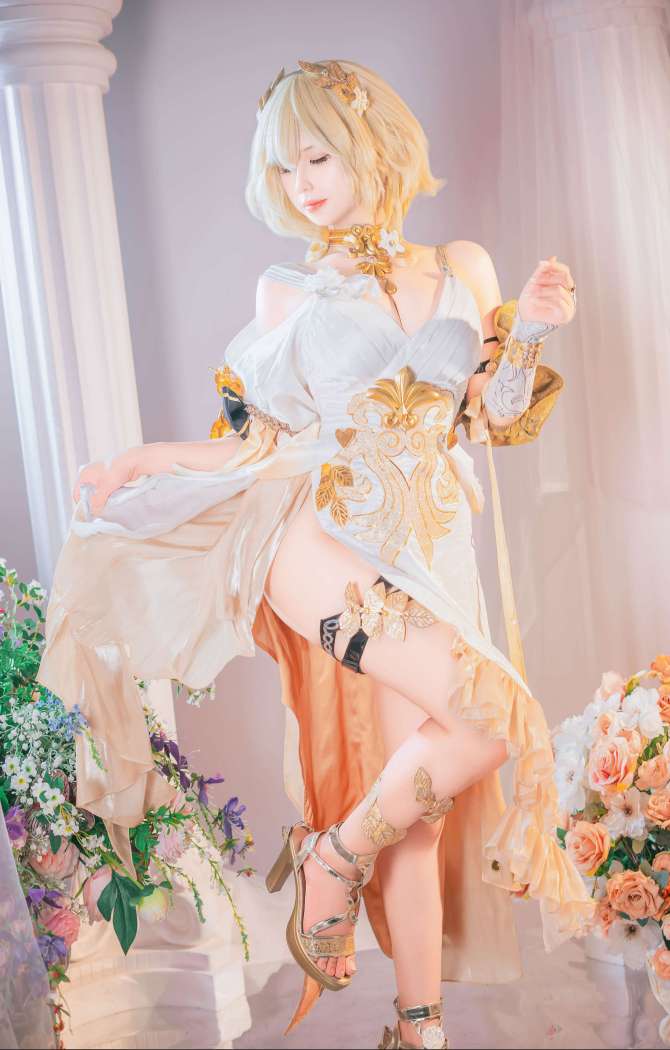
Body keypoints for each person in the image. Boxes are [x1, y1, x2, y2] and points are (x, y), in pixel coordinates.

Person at [37, 58, 594, 1050]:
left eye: (317, 156)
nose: (300, 183)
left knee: (420, 807)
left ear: (372, 145)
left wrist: (531, 333)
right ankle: (332, 863)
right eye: (285, 165)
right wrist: (142, 459)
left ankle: (416, 1028)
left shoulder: (462, 267)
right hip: (325, 539)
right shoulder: (286, 291)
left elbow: (495, 415)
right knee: (491, 720)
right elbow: (257, 444)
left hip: (436, 551)